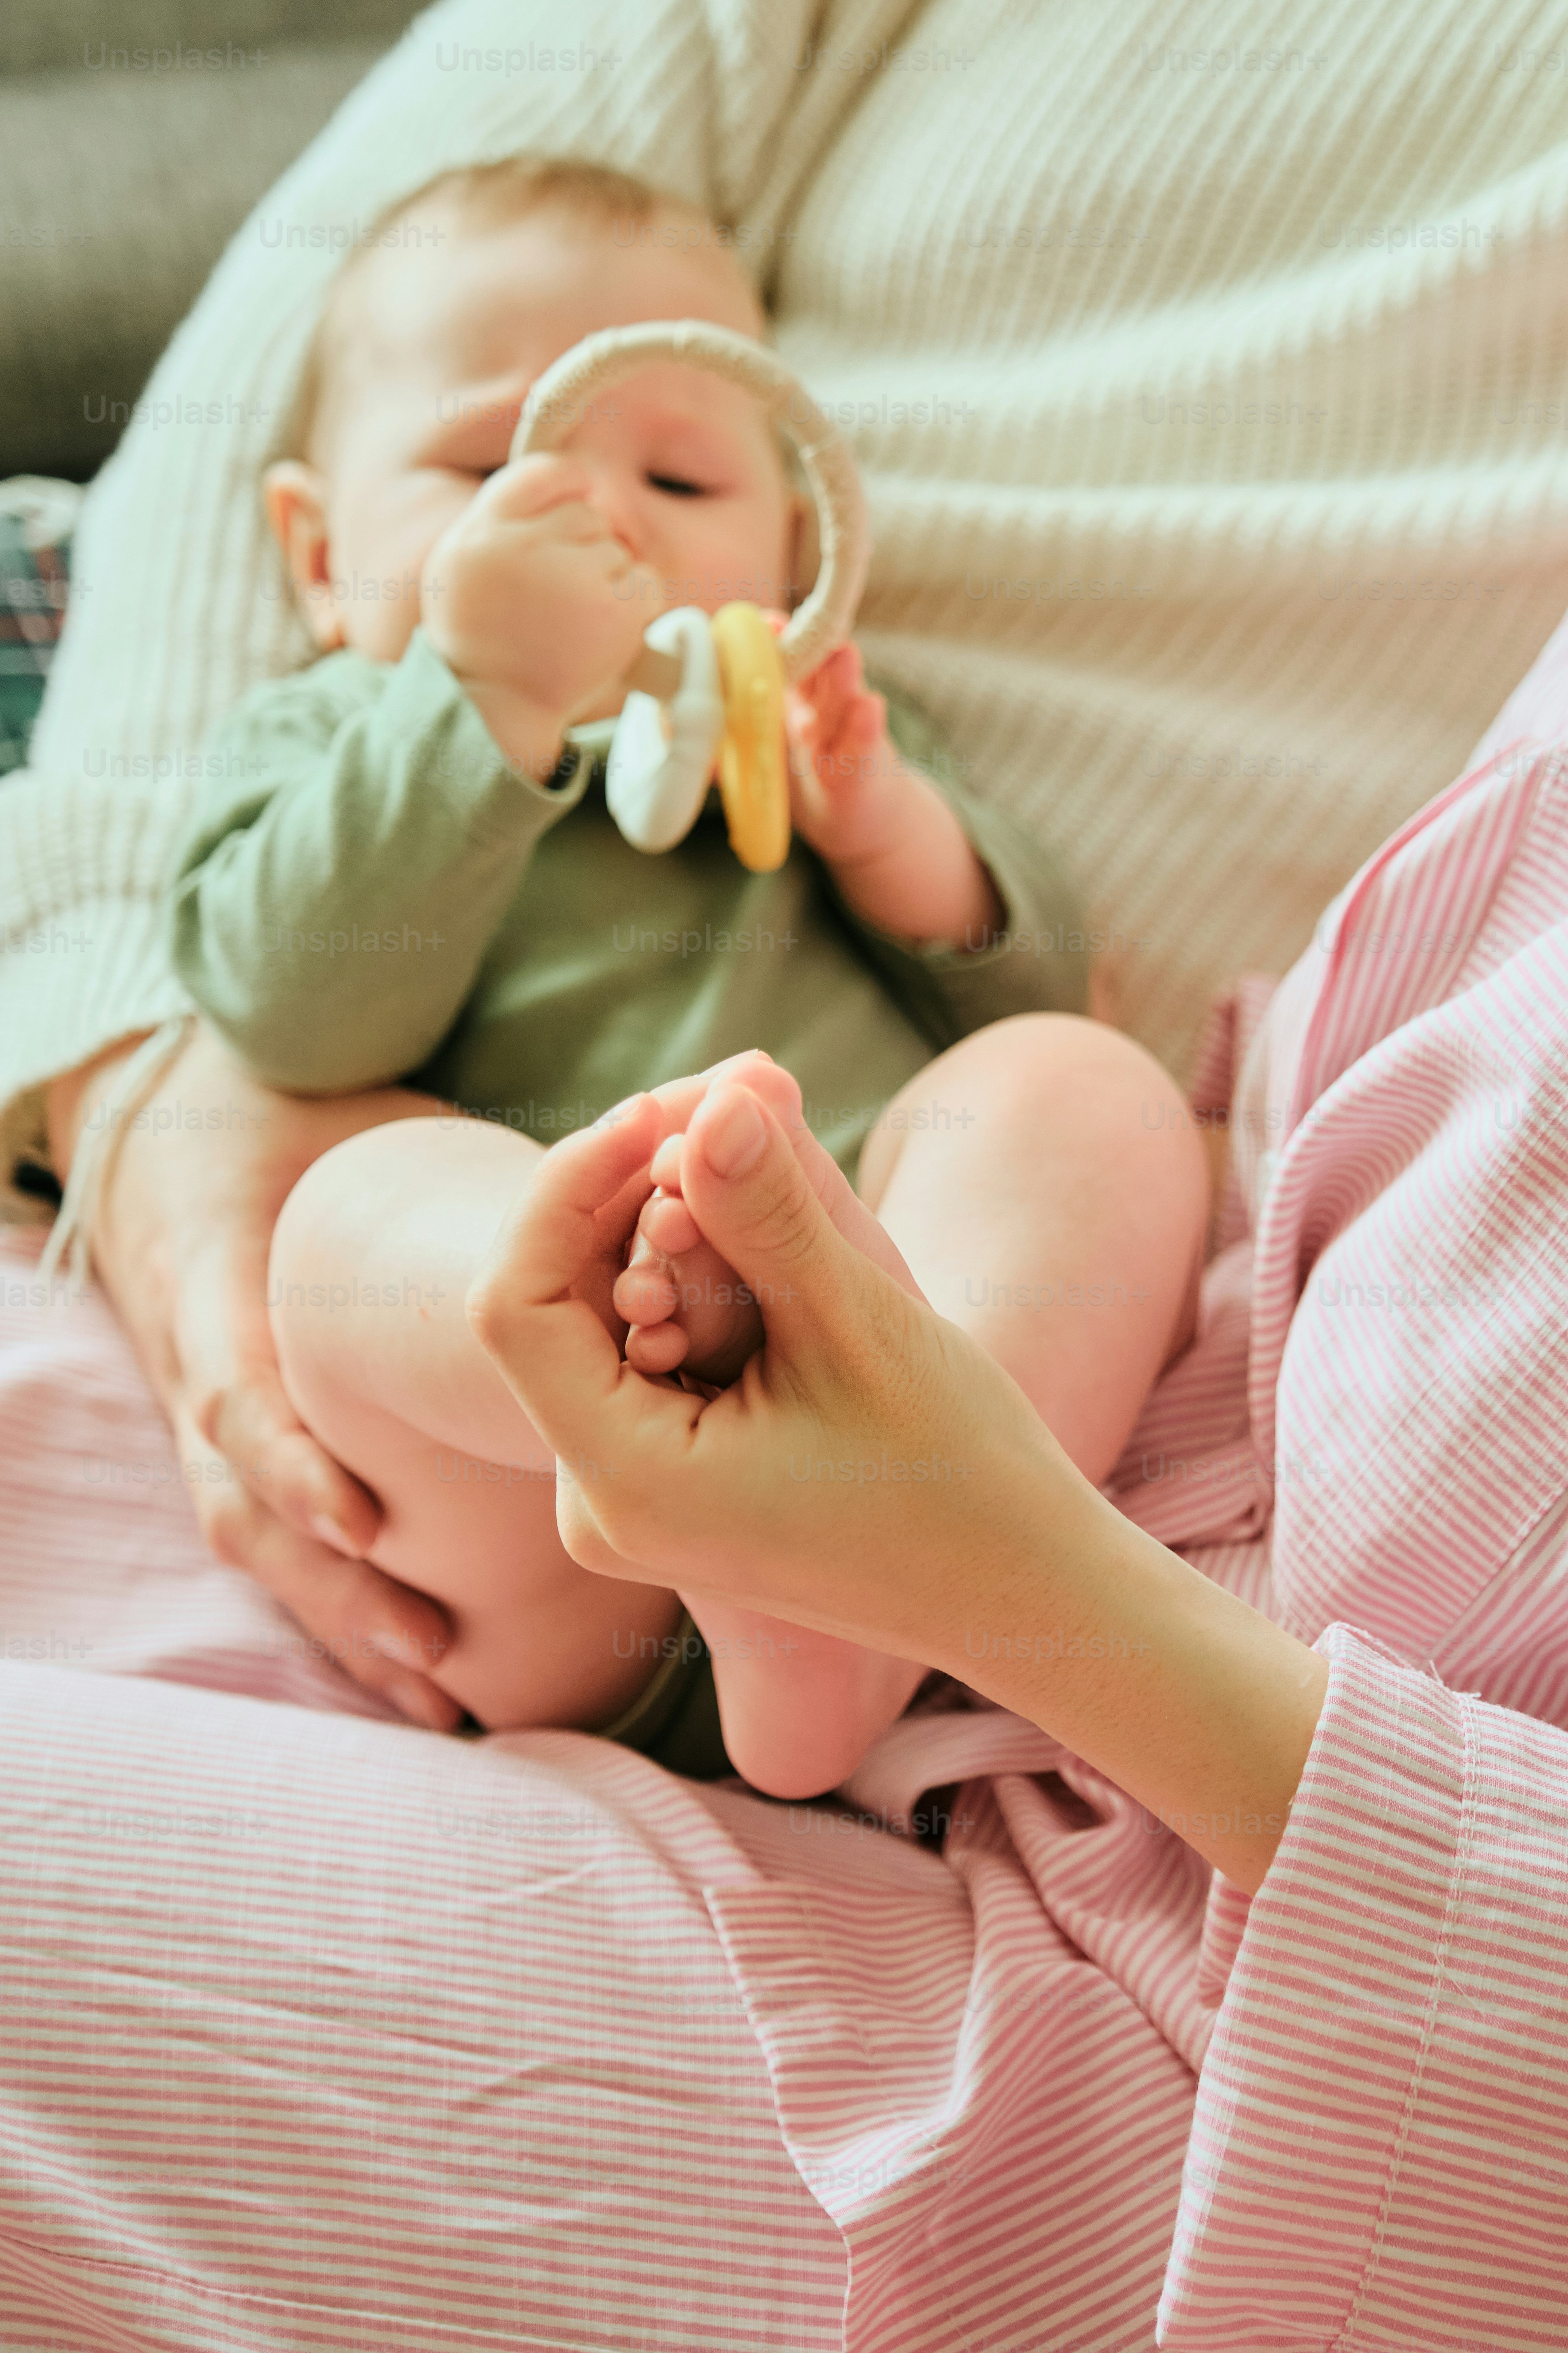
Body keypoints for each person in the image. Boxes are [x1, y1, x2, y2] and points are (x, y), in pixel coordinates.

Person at [161, 155, 1137, 1786]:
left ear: (789, 554)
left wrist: (885, 830)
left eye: (678, 486)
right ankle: (792, 1540)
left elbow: (1031, 990)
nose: (595, 518)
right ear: (319, 554)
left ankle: (852, 1590)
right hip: (552, 1517)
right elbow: (291, 1003)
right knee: (354, 1202)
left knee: (1080, 1089)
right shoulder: (332, 733)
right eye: (489, 462)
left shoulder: (821, 740)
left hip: (892, 1369)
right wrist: (474, 695)